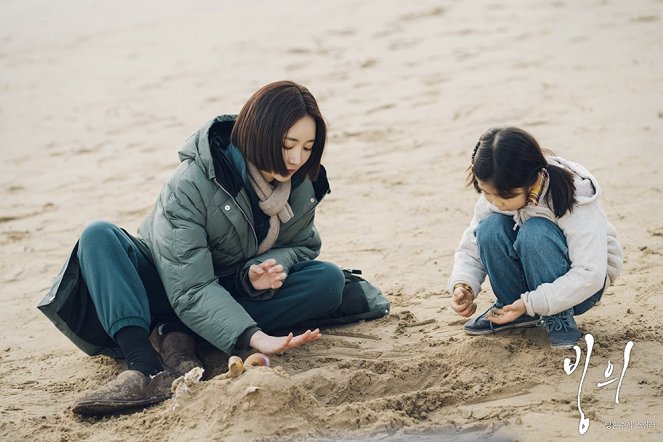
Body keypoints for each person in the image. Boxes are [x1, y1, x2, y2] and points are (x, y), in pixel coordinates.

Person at [44, 81, 348, 415]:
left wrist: (258, 272)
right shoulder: (191, 183)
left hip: (228, 289)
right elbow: (190, 287)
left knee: (328, 281)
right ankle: (145, 367)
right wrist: (254, 336)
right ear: (258, 133)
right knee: (98, 235)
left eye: (308, 147)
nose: (296, 158)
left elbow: (302, 245)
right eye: (288, 144)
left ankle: (175, 333)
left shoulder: (302, 184)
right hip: (165, 285)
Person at [448, 127, 623, 349]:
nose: (495, 202)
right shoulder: (496, 194)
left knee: (535, 231)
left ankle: (558, 317)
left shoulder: (572, 198)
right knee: (489, 228)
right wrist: (464, 284)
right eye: (486, 192)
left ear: (532, 180)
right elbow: (472, 245)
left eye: (505, 196)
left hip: (581, 291)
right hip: (529, 289)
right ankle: (514, 310)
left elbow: (590, 274)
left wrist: (533, 302)